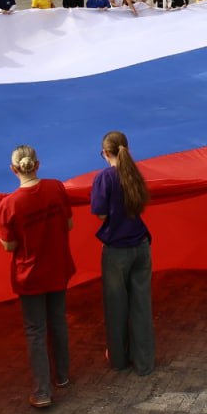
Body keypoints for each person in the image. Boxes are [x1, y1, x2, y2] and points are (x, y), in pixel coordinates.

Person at [0, 146, 75, 407]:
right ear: (37, 164)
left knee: (35, 330)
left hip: (30, 275)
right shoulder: (56, 188)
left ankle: (42, 391)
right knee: (58, 321)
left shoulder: (9, 204)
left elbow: (9, 246)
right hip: (57, 267)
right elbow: (69, 224)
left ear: (13, 169)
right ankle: (62, 376)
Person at [92, 131, 154, 376]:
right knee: (141, 305)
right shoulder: (135, 173)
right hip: (140, 244)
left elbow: (100, 213)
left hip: (117, 250)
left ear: (105, 153)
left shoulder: (104, 178)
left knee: (116, 307)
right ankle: (144, 362)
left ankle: (119, 359)